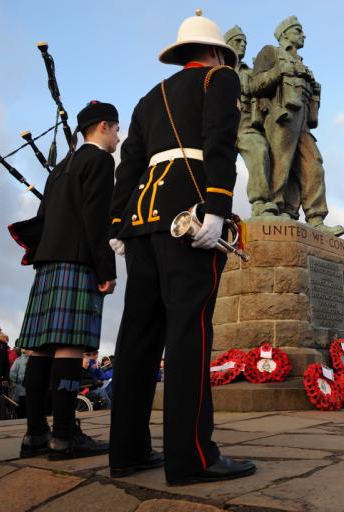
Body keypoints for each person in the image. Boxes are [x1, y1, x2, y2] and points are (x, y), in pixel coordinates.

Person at [107, 10, 255, 485]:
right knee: (189, 335)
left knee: (138, 338)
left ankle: (127, 451)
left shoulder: (148, 98)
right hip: (188, 216)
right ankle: (192, 456)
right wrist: (216, 206)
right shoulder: (220, 79)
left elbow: (127, 167)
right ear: (215, 53)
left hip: (143, 220)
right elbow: (220, 143)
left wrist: (118, 224)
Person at [14, 101, 119, 458]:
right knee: (70, 346)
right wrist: (106, 268)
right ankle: (64, 436)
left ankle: (35, 436)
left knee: (39, 349)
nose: (118, 137)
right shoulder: (101, 161)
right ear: (104, 126)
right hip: (76, 262)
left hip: (47, 262)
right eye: (117, 129)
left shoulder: (60, 168)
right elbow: (96, 218)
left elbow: (43, 217)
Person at [251, 16, 344, 235]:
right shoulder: (271, 53)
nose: (303, 35)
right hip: (282, 114)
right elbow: (255, 85)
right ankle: (273, 207)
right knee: (280, 161)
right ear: (285, 34)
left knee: (314, 164)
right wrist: (278, 73)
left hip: (303, 120)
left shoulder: (302, 63)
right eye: (298, 30)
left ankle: (316, 217)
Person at [224, 26, 277, 218]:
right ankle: (212, 209)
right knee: (215, 167)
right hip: (221, 127)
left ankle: (260, 202)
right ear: (227, 44)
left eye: (245, 42)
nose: (243, 45)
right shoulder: (216, 72)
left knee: (260, 150)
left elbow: (260, 89)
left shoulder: (250, 71)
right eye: (238, 41)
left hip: (246, 122)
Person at [9, 349, 29, 418]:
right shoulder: (18, 360)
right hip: (21, 389)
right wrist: (19, 379)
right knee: (22, 409)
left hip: (28, 389)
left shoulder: (33, 359)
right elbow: (12, 374)